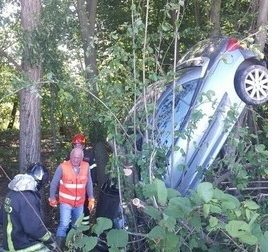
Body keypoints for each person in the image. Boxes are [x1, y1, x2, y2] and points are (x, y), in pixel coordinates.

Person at [0, 163, 57, 252]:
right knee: (49, 249)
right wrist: (51, 239)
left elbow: (1, 219)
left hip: (8, 243)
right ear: (40, 179)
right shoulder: (28, 197)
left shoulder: (11, 193)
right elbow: (34, 229)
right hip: (21, 245)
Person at [48, 147, 95, 248]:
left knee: (76, 226)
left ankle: (73, 247)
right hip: (66, 202)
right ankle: (59, 248)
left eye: (78, 158)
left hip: (79, 203)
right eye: (73, 157)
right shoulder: (63, 167)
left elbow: (89, 183)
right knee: (64, 225)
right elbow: (54, 183)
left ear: (82, 158)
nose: (75, 160)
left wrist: (91, 198)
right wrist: (52, 197)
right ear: (70, 156)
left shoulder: (86, 166)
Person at [69, 133, 97, 225]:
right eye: (76, 145)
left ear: (83, 145)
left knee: (85, 207)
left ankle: (85, 229)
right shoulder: (70, 155)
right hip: (73, 187)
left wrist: (92, 183)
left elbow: (93, 170)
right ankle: (73, 228)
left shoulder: (89, 155)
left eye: (80, 145)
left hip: (85, 187)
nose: (78, 146)